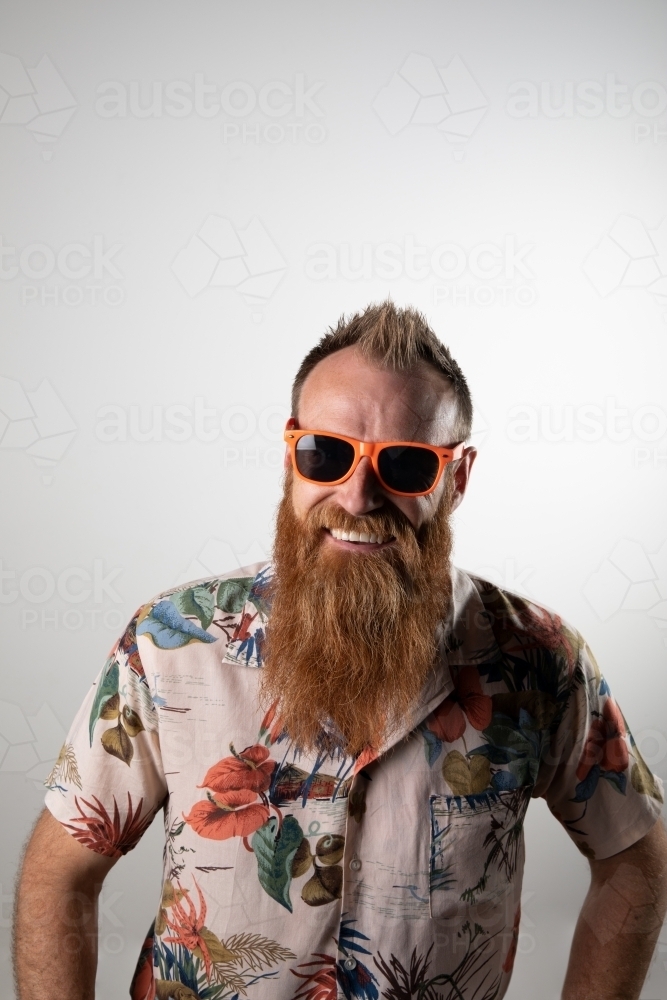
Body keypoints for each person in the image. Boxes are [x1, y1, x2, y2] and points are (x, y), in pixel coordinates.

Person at [13, 302, 667, 1000]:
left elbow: (635, 857)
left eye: (406, 465)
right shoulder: (172, 641)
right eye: (325, 455)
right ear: (291, 455)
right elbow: (61, 875)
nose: (356, 497)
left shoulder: (540, 660)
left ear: (457, 478)